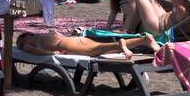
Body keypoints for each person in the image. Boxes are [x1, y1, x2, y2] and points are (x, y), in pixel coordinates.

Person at [18, 31, 160, 59]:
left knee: (96, 49)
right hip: (74, 39)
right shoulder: (47, 33)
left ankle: (121, 43)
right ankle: (144, 40)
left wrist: (51, 54)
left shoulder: (28, 43)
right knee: (98, 48)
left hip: (66, 44)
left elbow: (34, 52)